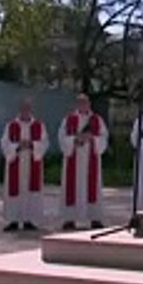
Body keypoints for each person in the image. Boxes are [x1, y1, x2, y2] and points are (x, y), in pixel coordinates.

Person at [60, 94, 107, 230]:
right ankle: (70, 219)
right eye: (80, 103)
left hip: (90, 159)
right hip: (74, 159)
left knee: (92, 187)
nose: (83, 105)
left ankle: (94, 218)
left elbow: (104, 137)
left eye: (85, 102)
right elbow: (62, 137)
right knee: (72, 187)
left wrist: (92, 138)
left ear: (89, 104)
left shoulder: (97, 120)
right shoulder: (69, 119)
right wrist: (75, 139)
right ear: (77, 104)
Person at [1, 98, 48, 232]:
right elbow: (4, 143)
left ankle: (29, 220)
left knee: (31, 191)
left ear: (31, 110)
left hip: (32, 163)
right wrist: (17, 146)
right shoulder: (11, 125)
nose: (25, 111)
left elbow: (44, 143)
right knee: (15, 190)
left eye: (28, 108)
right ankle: (13, 221)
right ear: (19, 110)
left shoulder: (39, 125)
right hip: (16, 162)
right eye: (23, 108)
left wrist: (32, 145)